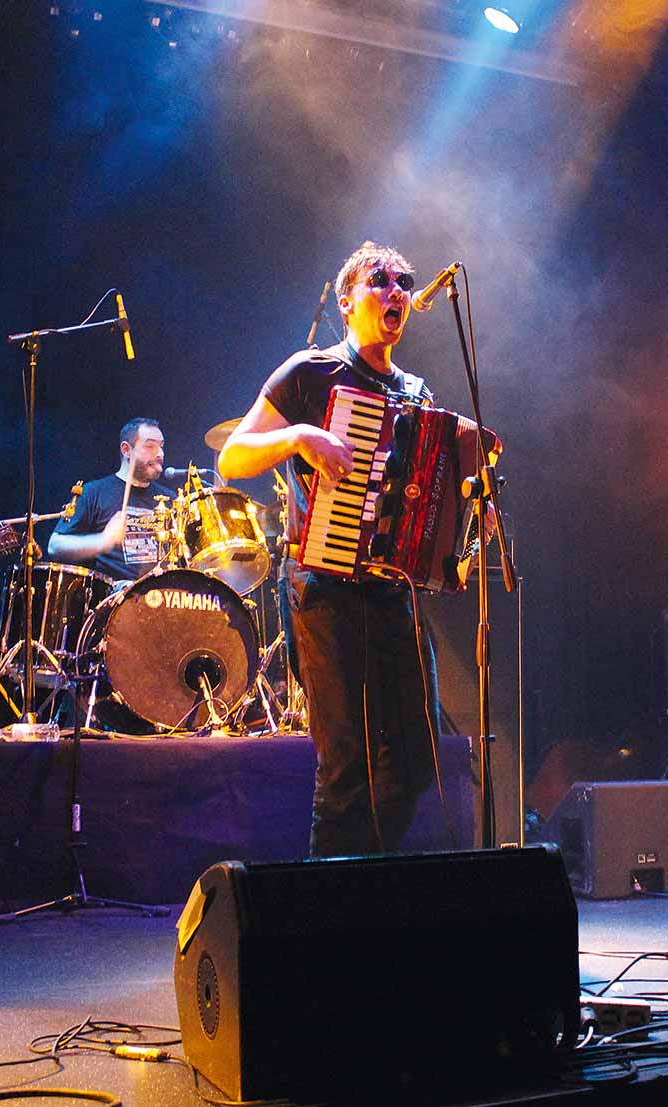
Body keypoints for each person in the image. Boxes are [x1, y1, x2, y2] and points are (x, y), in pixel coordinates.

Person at [219, 242, 494, 857]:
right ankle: (331, 898)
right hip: (324, 587)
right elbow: (231, 458)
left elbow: (430, 492)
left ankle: (368, 877)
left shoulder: (415, 392)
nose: (397, 290)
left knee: (415, 758)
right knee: (346, 763)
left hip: (393, 589)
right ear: (347, 302)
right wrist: (299, 435)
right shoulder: (310, 373)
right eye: (380, 280)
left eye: (404, 282)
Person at [46, 418, 175, 581]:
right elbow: (55, 546)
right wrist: (103, 541)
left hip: (165, 591)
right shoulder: (93, 493)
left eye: (161, 446)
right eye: (150, 446)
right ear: (126, 450)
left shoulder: (171, 499)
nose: (160, 454)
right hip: (117, 592)